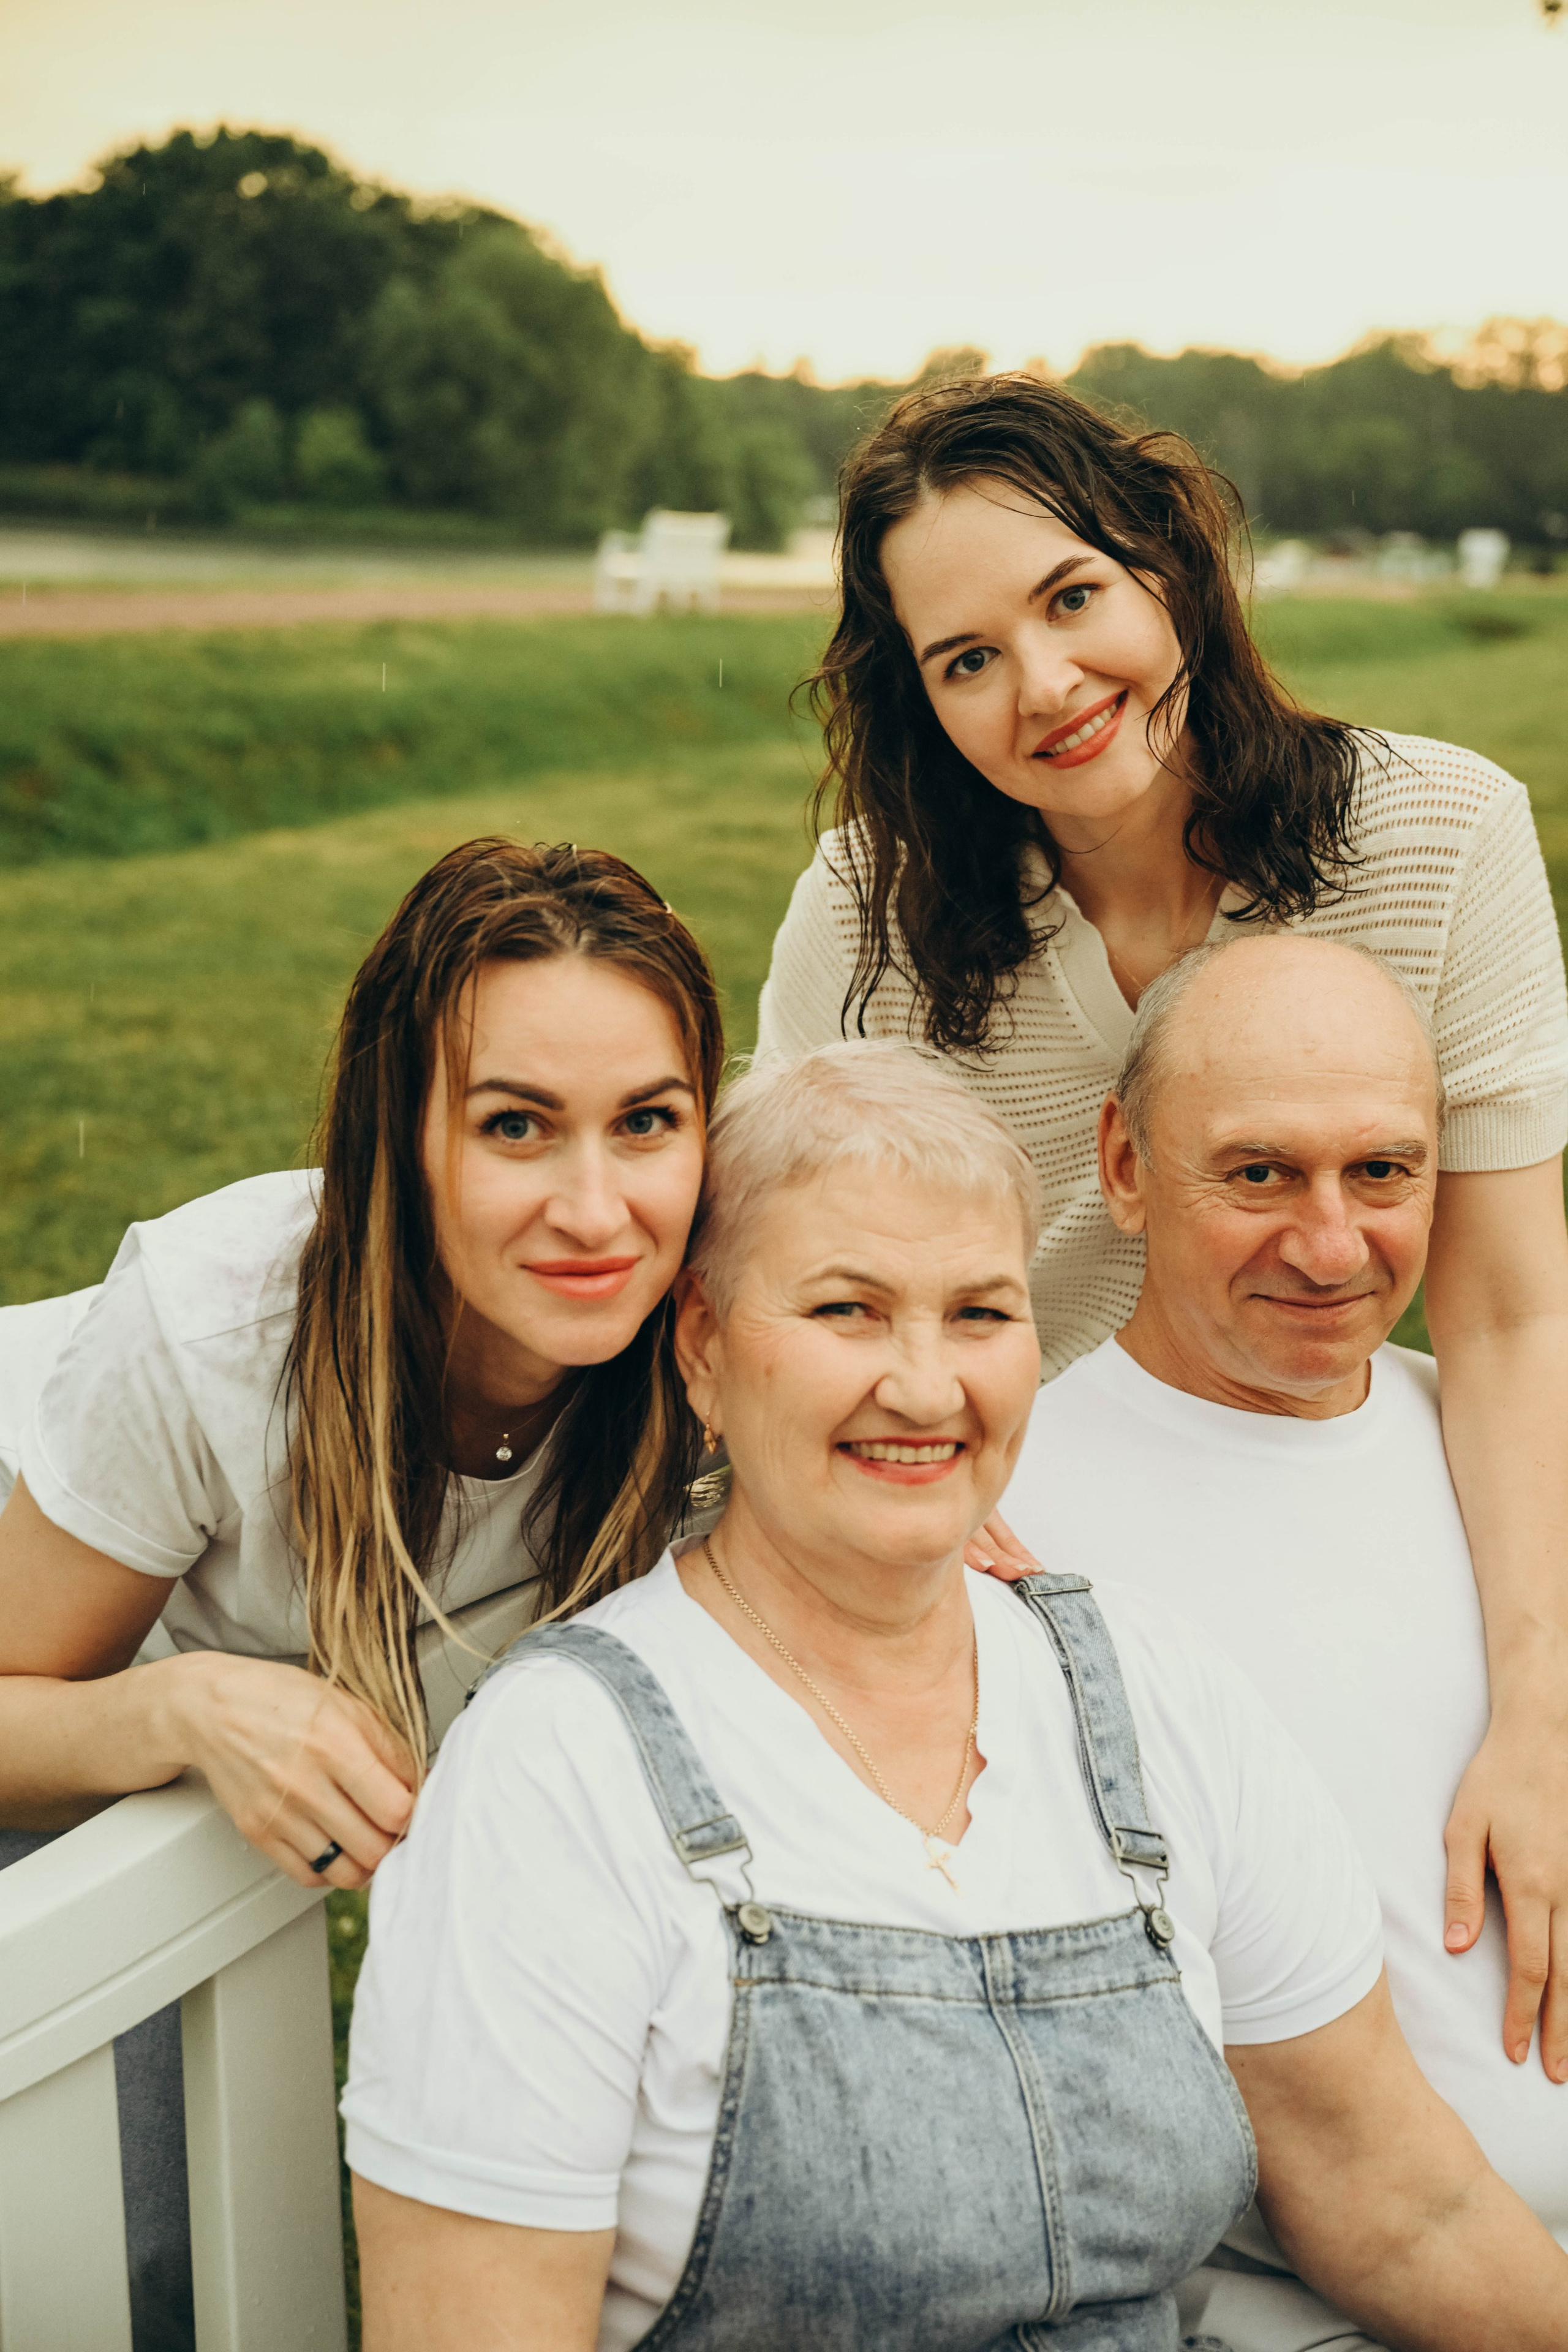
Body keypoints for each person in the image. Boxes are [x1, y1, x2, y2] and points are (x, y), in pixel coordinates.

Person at [344, 1042, 1568, 2352]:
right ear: (701, 1345)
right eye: (846, 1312)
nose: (926, 1387)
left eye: (980, 1314)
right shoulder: (557, 1770)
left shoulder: (1148, 1693)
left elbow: (1397, 2204)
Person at [756, 371, 1568, 2071]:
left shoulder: (1441, 833)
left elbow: (1507, 1313)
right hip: (999, 1543)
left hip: (1311, 1484)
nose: (1044, 687)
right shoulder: (866, 914)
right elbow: (771, 1271)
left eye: (1072, 599)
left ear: (1170, 566)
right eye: (966, 659)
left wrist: (1538, 1711)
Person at [0, 835, 722, 2352]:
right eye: (516, 1125)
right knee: (129, 2275)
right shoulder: (211, 1335)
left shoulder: (719, 1336)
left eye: (647, 1123)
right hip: (77, 1740)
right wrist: (183, 1709)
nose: (598, 1211)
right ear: (399, 1130)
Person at [993, 930, 1568, 2351]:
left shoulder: (1507, 1463)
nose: (1329, 1246)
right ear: (1123, 1166)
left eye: (1381, 1172)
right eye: (1257, 1174)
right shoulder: (1009, 1536)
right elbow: (1340, 2176)